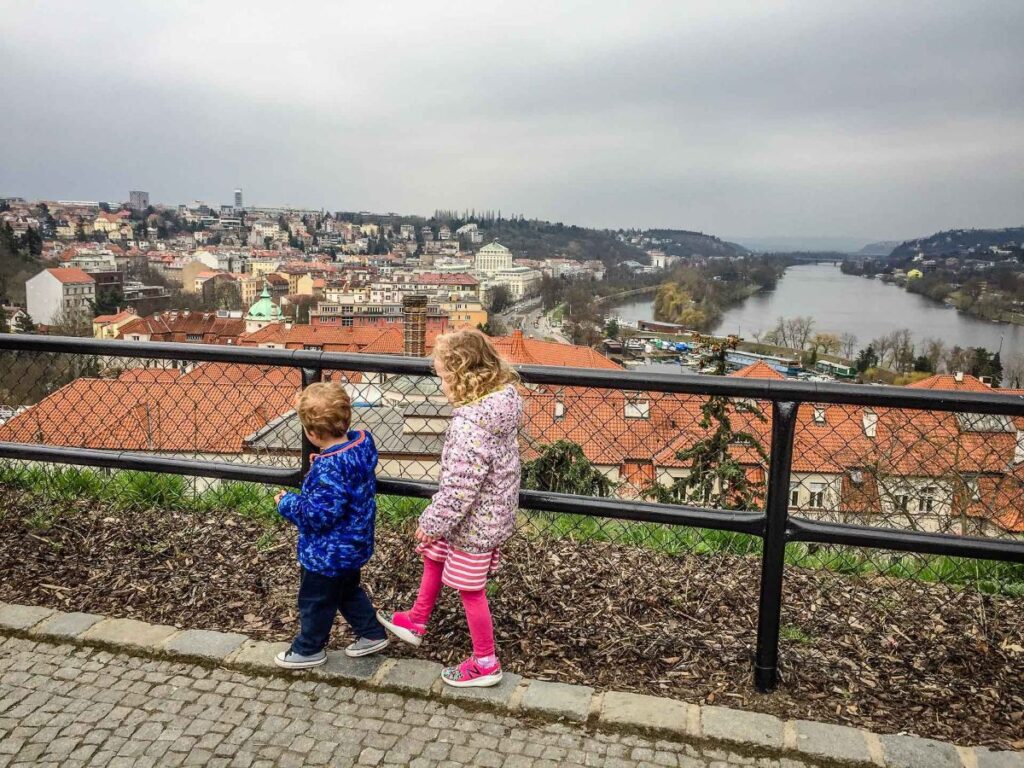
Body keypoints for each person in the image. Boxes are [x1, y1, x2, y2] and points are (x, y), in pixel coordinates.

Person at [378, 328, 523, 687]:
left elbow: (460, 487)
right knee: (435, 553)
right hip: (485, 512)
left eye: (444, 377)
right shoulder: (502, 405)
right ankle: (417, 618)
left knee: (471, 590)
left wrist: (432, 521)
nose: (441, 385)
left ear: (462, 378)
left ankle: (485, 662)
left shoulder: (471, 426)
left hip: (474, 521)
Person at [273, 381, 388, 669]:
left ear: (311, 434)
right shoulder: (362, 446)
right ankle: (371, 633)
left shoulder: (329, 468)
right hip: (355, 543)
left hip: (327, 553)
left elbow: (317, 515)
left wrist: (286, 503)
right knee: (347, 590)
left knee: (315, 600)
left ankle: (309, 648)